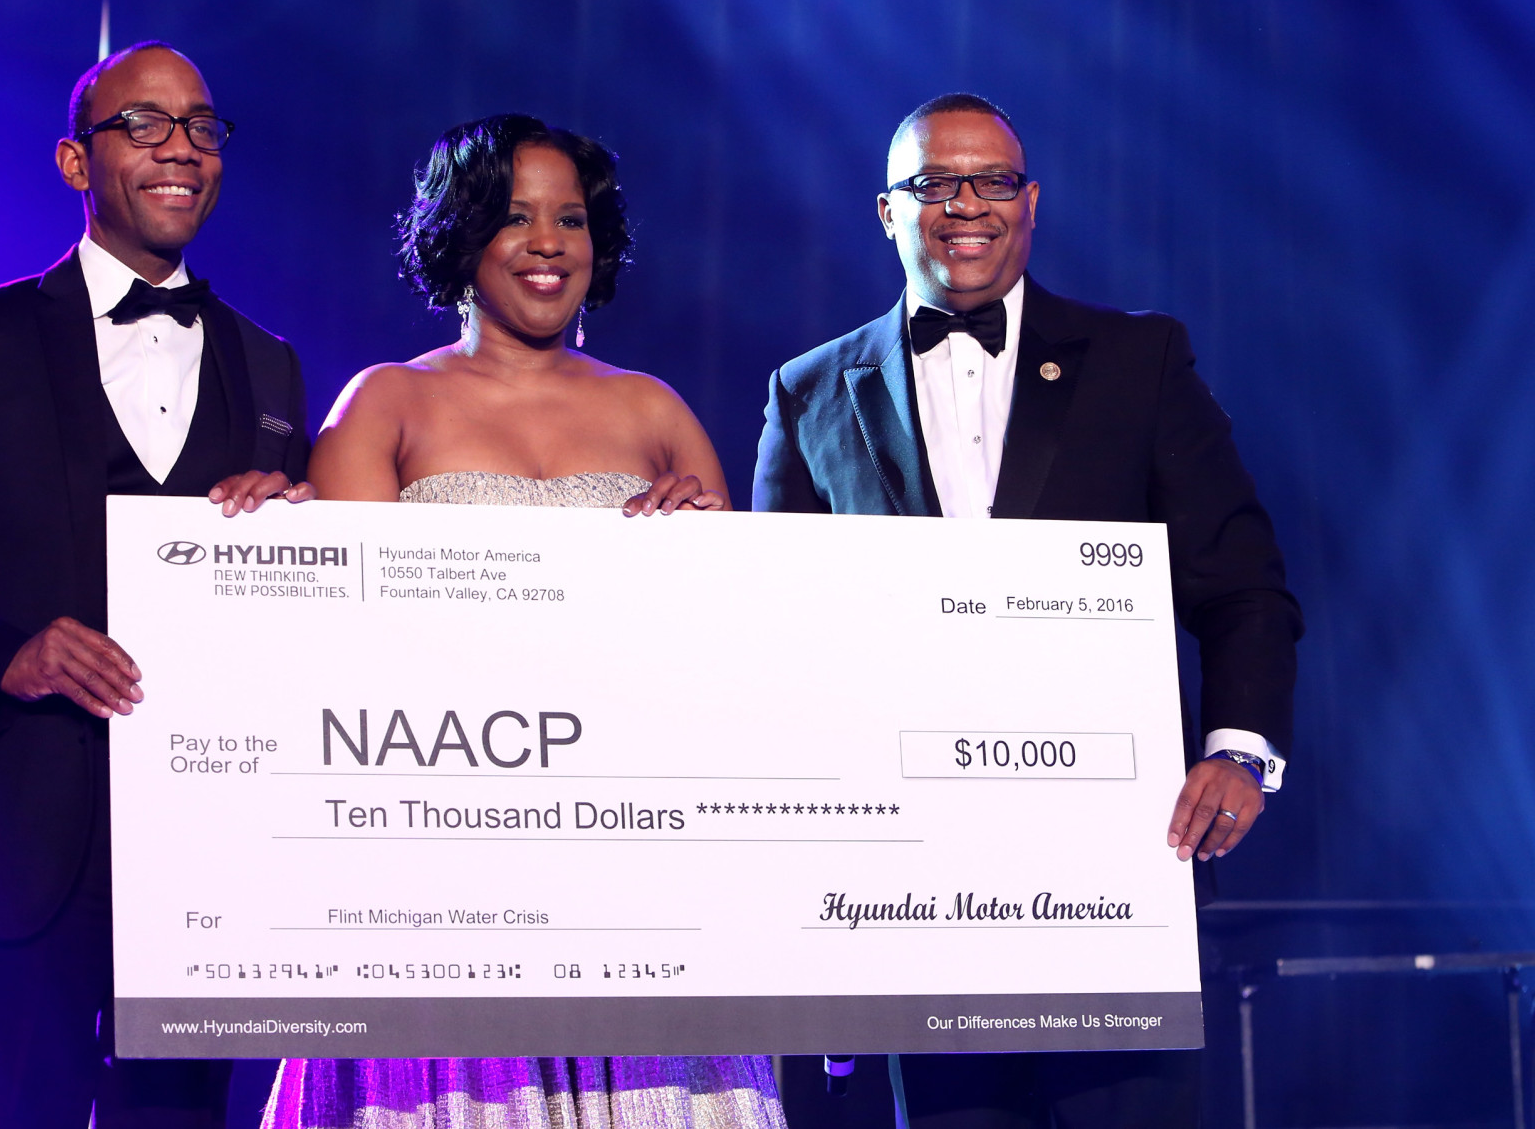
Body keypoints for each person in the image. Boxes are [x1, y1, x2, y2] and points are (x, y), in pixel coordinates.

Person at [751, 94, 1302, 1128]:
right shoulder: (808, 391)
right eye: (930, 184)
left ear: (1030, 201)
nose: (964, 205)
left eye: (991, 181)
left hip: (1116, 865)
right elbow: (780, 646)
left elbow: (1242, 584)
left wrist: (1238, 749)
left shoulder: (1139, 361)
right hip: (906, 896)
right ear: (884, 210)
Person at [0, 41, 313, 1129]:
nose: (181, 147)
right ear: (75, 163)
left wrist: (296, 532)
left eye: (202, 126)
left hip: (208, 853)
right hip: (25, 842)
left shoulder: (269, 365)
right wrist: (4, 654)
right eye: (144, 124)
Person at [260, 113, 781, 1129]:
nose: (549, 242)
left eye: (572, 219)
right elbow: (337, 651)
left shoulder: (655, 411)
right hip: (440, 865)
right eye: (514, 217)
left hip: (635, 869)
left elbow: (727, 671)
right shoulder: (383, 405)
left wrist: (711, 561)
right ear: (460, 235)